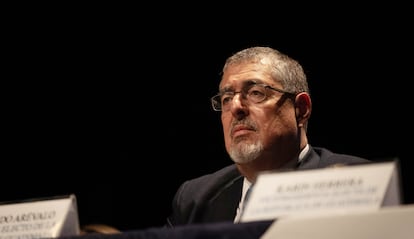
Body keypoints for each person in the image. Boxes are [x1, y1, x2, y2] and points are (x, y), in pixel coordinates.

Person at [166, 46, 371, 227]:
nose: (236, 107)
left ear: (301, 109)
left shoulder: (355, 183)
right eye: (227, 98)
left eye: (256, 93)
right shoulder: (196, 198)